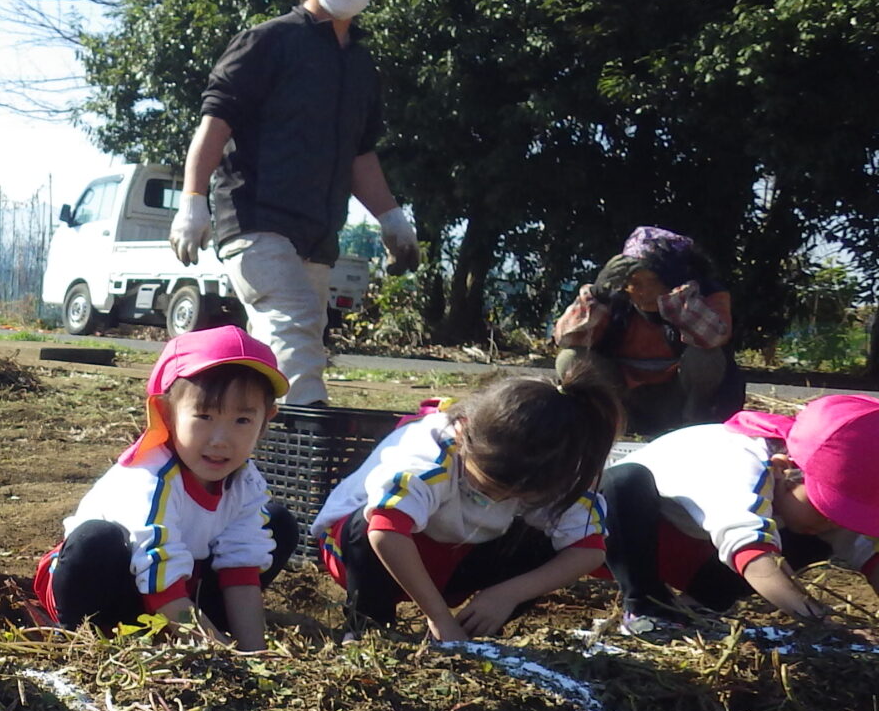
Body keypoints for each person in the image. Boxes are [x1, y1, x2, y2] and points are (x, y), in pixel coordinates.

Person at [169, 0, 419, 406]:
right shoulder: (269, 41)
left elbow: (360, 153)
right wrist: (192, 201)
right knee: (293, 322)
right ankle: (305, 431)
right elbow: (216, 123)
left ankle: (255, 433)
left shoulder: (360, 64)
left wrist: (392, 218)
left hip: (317, 231)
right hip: (256, 219)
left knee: (296, 335)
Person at [35, 327, 298, 651]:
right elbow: (161, 584)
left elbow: (240, 568)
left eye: (242, 420)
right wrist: (223, 656)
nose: (220, 440)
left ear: (266, 421)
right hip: (112, 587)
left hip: (178, 586)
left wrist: (254, 653)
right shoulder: (149, 479)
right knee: (96, 541)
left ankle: (195, 631)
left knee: (277, 523)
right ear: (166, 414)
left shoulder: (245, 481)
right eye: (204, 416)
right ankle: (79, 635)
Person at [312, 372, 621, 639]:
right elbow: (385, 531)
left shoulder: (559, 470)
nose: (496, 500)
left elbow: (588, 550)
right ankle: (369, 626)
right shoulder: (429, 453)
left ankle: (470, 633)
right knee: (367, 525)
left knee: (545, 544)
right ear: (463, 435)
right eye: (486, 487)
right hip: (363, 556)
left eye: (515, 496)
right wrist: (438, 616)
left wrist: (508, 594)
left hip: (458, 556)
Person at [600, 396, 879, 637]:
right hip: (615, 541)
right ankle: (646, 606)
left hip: (697, 548)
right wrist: (822, 622)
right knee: (624, 482)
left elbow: (867, 552)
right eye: (826, 506)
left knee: (817, 538)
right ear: (783, 470)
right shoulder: (740, 465)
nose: (831, 520)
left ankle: (696, 605)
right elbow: (756, 560)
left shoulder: (799, 486)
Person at [553, 227, 742, 438]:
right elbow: (565, 338)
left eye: (654, 282)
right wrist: (598, 295)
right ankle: (605, 425)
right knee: (570, 358)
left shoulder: (707, 294)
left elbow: (714, 337)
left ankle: (694, 428)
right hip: (625, 399)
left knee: (706, 356)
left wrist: (675, 299)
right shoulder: (612, 299)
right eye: (635, 283)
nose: (645, 292)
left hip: (678, 402)